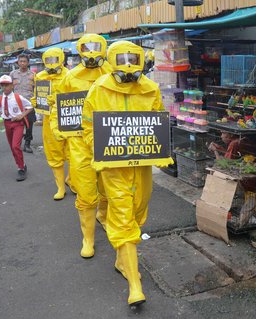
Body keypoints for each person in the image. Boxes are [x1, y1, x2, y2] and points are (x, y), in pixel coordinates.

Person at [82, 40, 171, 307]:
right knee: (121, 215)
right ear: (111, 60)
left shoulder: (151, 89)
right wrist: (101, 147)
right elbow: (88, 126)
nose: (128, 65)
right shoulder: (98, 89)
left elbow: (158, 121)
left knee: (138, 211)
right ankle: (135, 284)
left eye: (133, 58)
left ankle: (123, 260)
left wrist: (160, 148)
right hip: (113, 167)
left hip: (142, 165)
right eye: (121, 59)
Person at [49, 33, 113, 258]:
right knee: (85, 191)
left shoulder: (113, 73)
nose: (92, 51)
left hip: (108, 139)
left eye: (97, 46)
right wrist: (57, 126)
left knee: (108, 187)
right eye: (87, 47)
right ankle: (88, 239)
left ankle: (103, 216)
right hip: (79, 142)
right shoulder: (71, 77)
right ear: (79, 49)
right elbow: (59, 104)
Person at [30, 48, 69, 200]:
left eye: (55, 60)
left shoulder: (70, 75)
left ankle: (72, 180)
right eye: (49, 60)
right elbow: (39, 95)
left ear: (61, 59)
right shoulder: (40, 76)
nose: (52, 64)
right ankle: (60, 187)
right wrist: (36, 101)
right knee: (54, 152)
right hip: (49, 120)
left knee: (73, 152)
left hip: (68, 119)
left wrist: (58, 99)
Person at [0, 75, 33, 181]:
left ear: (12, 85)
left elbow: (30, 106)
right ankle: (22, 164)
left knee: (16, 146)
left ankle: (21, 169)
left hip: (17, 124)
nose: (5, 87)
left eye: (7, 85)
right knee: (12, 148)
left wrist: (22, 115)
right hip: (6, 124)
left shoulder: (17, 97)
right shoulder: (0, 98)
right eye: (2, 85)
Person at [10, 54, 35, 153]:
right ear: (18, 63)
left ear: (28, 63)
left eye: (25, 61)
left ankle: (27, 144)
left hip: (29, 104)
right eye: (21, 61)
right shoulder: (12, 74)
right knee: (16, 124)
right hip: (16, 104)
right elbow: (8, 88)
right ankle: (16, 143)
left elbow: (37, 89)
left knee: (29, 125)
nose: (23, 63)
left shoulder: (33, 75)